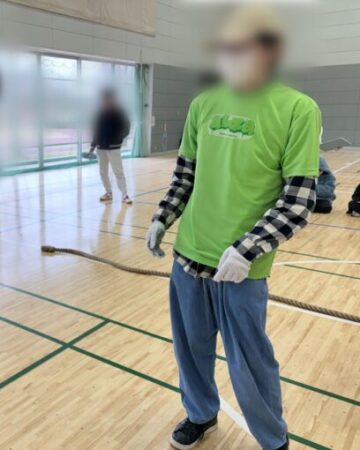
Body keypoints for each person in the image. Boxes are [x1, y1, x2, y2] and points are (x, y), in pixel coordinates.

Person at [145, 6, 320, 450]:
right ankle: (200, 414)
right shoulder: (203, 104)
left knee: (250, 361)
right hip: (189, 256)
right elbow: (185, 176)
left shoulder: (298, 109)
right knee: (190, 349)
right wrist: (163, 216)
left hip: (241, 268)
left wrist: (248, 248)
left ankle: (273, 439)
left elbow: (299, 200)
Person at [87, 88, 132, 204]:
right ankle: (108, 193)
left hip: (114, 148)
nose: (106, 101)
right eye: (104, 99)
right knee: (103, 172)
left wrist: (118, 138)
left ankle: (124, 195)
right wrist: (92, 147)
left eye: (108, 98)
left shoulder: (119, 112)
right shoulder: (100, 113)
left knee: (118, 171)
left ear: (113, 99)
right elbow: (96, 131)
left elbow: (126, 128)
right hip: (100, 148)